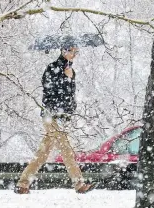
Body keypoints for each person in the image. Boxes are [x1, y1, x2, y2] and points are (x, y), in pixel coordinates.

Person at [14, 45, 97, 194]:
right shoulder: (52, 67)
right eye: (72, 51)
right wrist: (64, 77)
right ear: (64, 51)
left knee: (43, 152)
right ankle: (79, 184)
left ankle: (23, 184)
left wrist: (70, 81)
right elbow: (48, 89)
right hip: (51, 115)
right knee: (66, 149)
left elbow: (70, 94)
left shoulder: (72, 71)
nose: (75, 54)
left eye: (76, 52)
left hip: (62, 116)